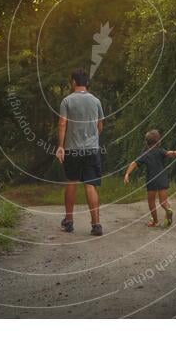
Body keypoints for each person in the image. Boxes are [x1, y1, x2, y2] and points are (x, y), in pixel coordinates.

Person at [56, 68, 104, 236]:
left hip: (72, 149)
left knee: (71, 182)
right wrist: (92, 139)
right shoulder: (96, 101)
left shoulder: (67, 101)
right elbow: (100, 126)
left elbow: (62, 124)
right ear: (86, 83)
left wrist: (60, 146)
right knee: (90, 185)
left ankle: (69, 221)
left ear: (74, 82)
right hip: (92, 149)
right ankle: (96, 224)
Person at [123, 129, 176, 228]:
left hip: (152, 181)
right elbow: (169, 153)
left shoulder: (145, 154)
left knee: (151, 202)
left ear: (146, 142)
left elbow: (134, 163)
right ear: (159, 141)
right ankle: (168, 210)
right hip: (162, 179)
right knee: (163, 201)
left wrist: (127, 174)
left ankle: (155, 221)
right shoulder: (161, 151)